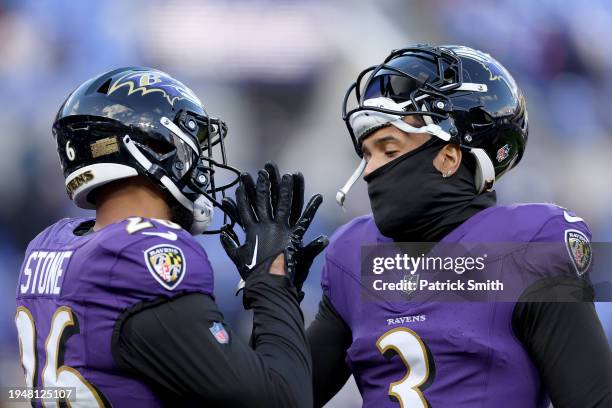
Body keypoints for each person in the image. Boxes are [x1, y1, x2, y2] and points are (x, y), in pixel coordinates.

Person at [306, 45, 612, 407]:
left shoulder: (527, 248)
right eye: (367, 154)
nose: (370, 172)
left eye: (388, 151)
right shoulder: (352, 257)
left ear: (449, 157)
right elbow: (279, 395)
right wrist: (270, 290)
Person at [14, 67, 322, 407]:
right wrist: (272, 285)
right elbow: (283, 400)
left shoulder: (49, 246)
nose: (202, 166)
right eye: (194, 146)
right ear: (155, 147)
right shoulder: (143, 253)